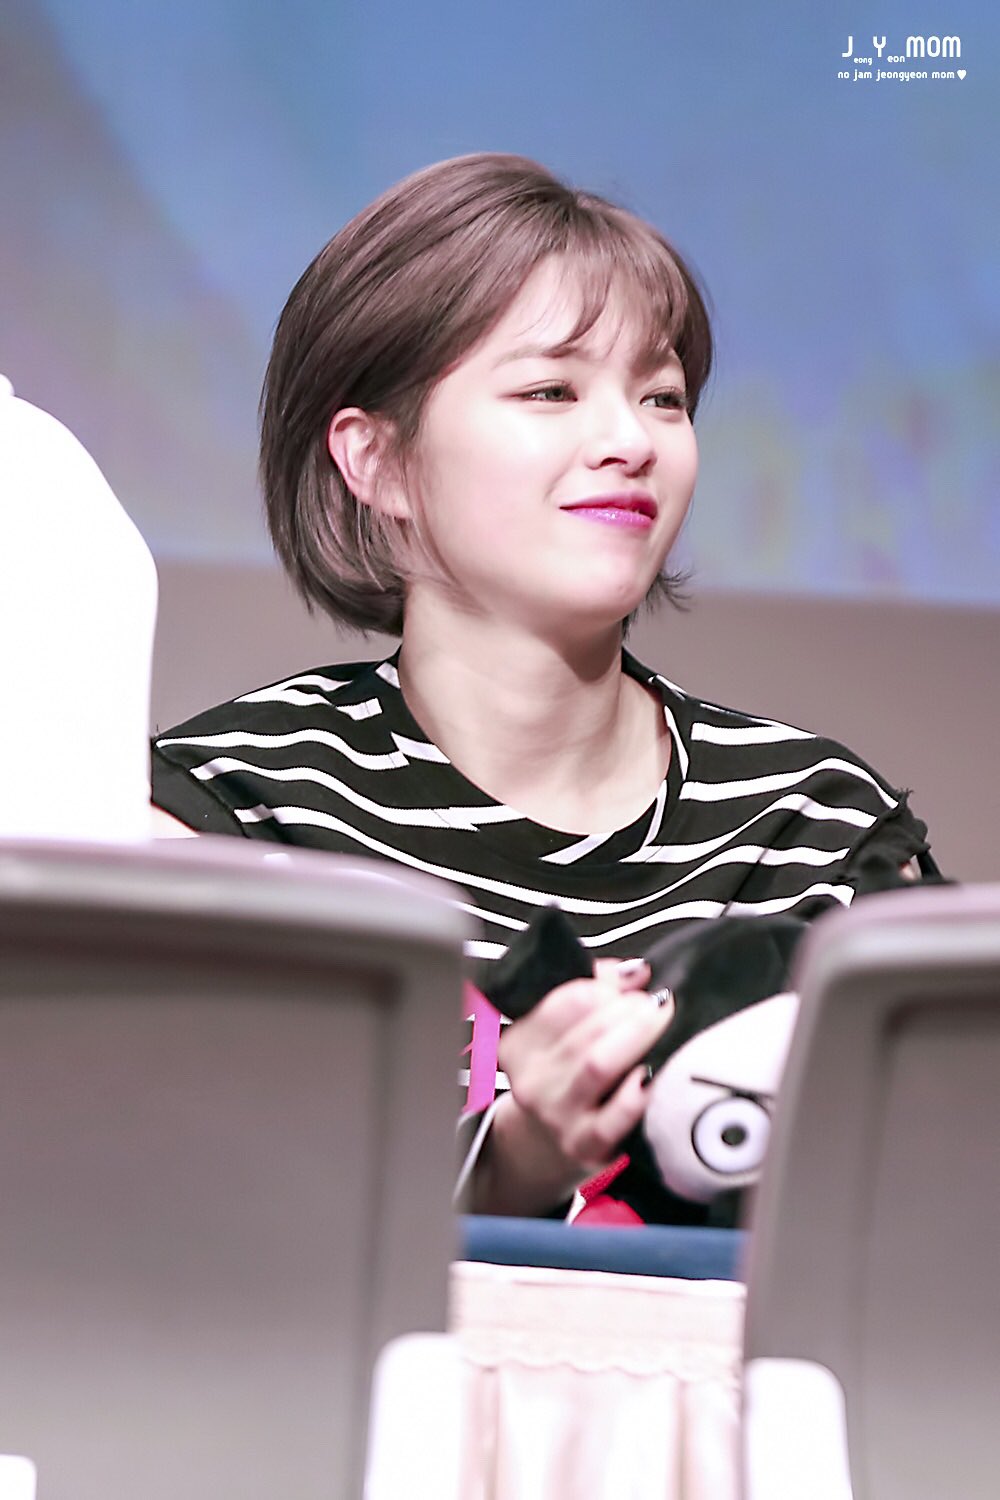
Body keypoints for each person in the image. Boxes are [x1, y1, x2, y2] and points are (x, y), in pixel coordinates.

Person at [151, 153, 933, 1222]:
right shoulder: (235, 819)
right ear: (375, 460)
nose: (629, 441)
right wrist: (513, 1159)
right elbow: (178, 1213)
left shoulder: (815, 827)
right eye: (550, 391)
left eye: (662, 397)